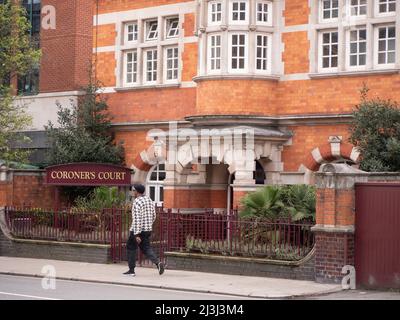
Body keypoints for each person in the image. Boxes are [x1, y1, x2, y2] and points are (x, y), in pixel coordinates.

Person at [123, 183, 165, 277]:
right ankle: (158, 263)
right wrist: (148, 225)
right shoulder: (149, 199)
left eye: (133, 190)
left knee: (131, 247)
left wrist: (137, 234)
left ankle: (131, 270)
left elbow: (137, 218)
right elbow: (154, 215)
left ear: (137, 192)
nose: (132, 192)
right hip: (147, 229)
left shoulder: (137, 201)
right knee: (146, 248)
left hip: (137, 230)